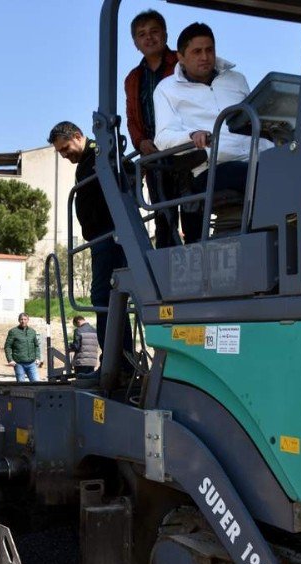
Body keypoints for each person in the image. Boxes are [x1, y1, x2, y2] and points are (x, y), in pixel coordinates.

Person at [154, 22, 261, 244]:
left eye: (209, 50)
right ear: (181, 57)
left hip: (256, 154)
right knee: (263, 176)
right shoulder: (166, 89)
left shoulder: (236, 79)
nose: (205, 56)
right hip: (212, 166)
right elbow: (163, 137)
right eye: (197, 51)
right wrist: (191, 135)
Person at [48, 121, 127, 349]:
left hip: (109, 237)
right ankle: (118, 361)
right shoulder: (88, 160)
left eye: (65, 149)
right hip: (101, 237)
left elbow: (126, 171)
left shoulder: (99, 154)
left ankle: (114, 362)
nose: (64, 155)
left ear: (77, 136)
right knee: (111, 299)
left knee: (103, 297)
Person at [125, 9, 179, 248]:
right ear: (136, 43)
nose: (149, 38)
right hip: (154, 154)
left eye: (154, 32)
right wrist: (140, 142)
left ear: (165, 35)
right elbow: (131, 117)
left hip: (183, 147)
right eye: (141, 34)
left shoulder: (181, 62)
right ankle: (167, 263)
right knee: (162, 212)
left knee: (192, 205)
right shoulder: (133, 78)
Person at [4, 312, 42, 382]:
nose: (23, 321)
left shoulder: (32, 332)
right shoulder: (13, 332)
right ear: (19, 320)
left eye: (25, 319)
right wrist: (10, 360)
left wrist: (38, 358)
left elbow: (36, 346)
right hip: (19, 364)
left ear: (28, 320)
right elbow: (7, 346)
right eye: (21, 319)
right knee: (21, 385)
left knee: (36, 383)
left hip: (32, 363)